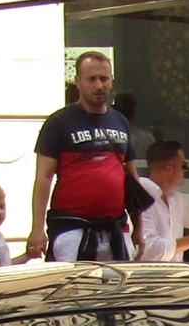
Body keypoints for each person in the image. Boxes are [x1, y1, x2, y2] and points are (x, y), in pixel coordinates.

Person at [26, 52, 135, 261]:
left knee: (120, 293)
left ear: (112, 81)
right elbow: (43, 178)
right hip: (72, 230)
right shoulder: (58, 123)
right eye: (91, 79)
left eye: (104, 78)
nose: (99, 85)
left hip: (117, 229)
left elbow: (131, 176)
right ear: (78, 82)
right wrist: (37, 228)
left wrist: (138, 228)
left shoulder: (121, 121)